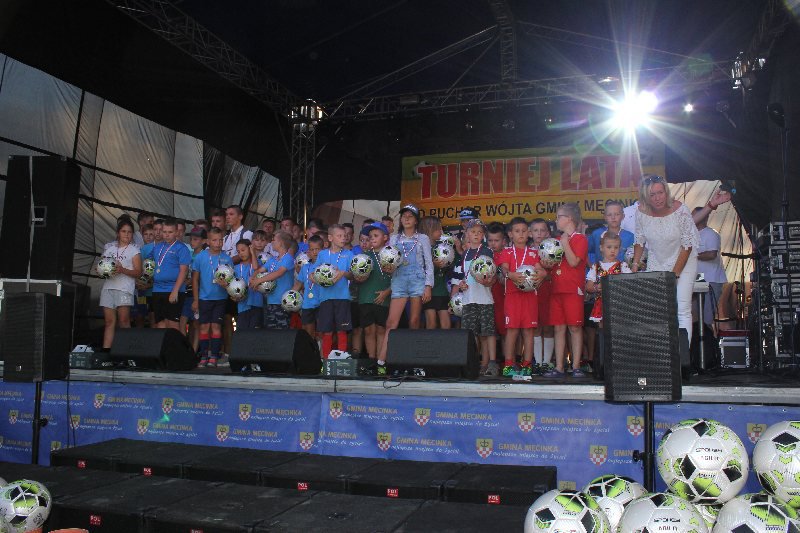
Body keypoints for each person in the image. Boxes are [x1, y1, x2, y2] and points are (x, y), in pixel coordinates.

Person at [632, 175, 699, 361]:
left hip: (683, 259)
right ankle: (662, 356)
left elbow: (687, 245)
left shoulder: (680, 210)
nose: (657, 198)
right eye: (652, 195)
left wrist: (675, 274)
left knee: (682, 308)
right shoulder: (641, 212)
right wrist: (635, 264)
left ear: (666, 192)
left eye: (660, 192)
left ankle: (681, 358)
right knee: (659, 310)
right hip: (658, 260)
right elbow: (639, 240)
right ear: (646, 196)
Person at [377, 205, 434, 375]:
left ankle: (412, 361)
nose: (407, 219)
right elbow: (388, 261)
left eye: (410, 216)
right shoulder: (394, 239)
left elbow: (429, 263)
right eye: (404, 216)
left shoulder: (423, 238)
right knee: (391, 323)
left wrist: (428, 286)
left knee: (414, 321)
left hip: (417, 281)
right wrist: (387, 268)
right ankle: (381, 361)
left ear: (416, 220)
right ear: (400, 220)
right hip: (399, 281)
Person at [543, 203, 589, 378]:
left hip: (572, 290)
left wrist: (565, 243)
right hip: (557, 289)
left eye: (558, 217)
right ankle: (559, 367)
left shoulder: (580, 239)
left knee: (574, 328)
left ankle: (576, 366)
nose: (556, 220)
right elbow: (552, 265)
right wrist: (547, 264)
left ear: (569, 218)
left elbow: (574, 262)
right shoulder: (556, 241)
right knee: (558, 328)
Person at [496, 217, 544, 377]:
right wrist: (510, 275)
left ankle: (527, 364)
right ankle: (509, 364)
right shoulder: (507, 252)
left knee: (528, 331)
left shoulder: (533, 253)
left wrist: (541, 274)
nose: (521, 234)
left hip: (530, 297)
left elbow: (540, 270)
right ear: (510, 234)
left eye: (524, 231)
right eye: (517, 231)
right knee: (512, 331)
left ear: (528, 233)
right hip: (512, 297)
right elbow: (504, 269)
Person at [451, 219, 496, 375]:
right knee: (471, 334)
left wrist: (487, 280)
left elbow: (492, 275)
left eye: (479, 232)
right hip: (468, 299)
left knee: (487, 333)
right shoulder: (464, 254)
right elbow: (465, 276)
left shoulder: (487, 251)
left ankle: (490, 363)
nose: (476, 234)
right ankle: (474, 362)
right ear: (467, 234)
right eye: (473, 232)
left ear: (483, 235)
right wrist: (462, 285)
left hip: (485, 299)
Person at [191, 227, 233, 367]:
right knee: (204, 327)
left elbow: (231, 280)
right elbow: (195, 279)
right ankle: (204, 355)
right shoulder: (201, 257)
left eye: (220, 240)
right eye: (214, 240)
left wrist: (226, 284)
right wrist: (196, 300)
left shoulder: (227, 258)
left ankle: (214, 355)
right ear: (208, 241)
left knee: (216, 326)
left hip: (220, 299)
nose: (218, 243)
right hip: (204, 299)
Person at [312, 224, 354, 358]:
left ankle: (341, 359)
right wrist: (318, 279)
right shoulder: (322, 254)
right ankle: (325, 361)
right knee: (327, 331)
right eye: (339, 236)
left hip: (342, 298)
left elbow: (352, 275)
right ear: (330, 238)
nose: (343, 238)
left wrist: (343, 273)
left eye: (345, 236)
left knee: (342, 330)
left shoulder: (349, 254)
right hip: (325, 298)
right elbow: (313, 274)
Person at [99, 219, 142, 349]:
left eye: (129, 232)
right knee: (109, 322)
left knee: (124, 320)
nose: (126, 234)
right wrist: (101, 270)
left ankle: (128, 350)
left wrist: (122, 270)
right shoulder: (110, 249)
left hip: (124, 289)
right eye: (124, 231)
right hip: (108, 288)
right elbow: (102, 268)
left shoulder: (134, 250)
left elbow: (138, 272)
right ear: (118, 233)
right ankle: (106, 351)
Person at [146, 219, 192, 331]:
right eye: (164, 232)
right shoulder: (157, 247)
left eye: (170, 232)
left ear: (176, 232)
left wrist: (175, 291)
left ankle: (175, 343)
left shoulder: (181, 248)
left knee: (173, 323)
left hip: (173, 289)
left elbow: (183, 271)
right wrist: (145, 277)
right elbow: (148, 263)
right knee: (160, 323)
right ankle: (163, 343)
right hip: (157, 289)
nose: (167, 235)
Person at [357, 223, 392, 362]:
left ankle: (380, 362)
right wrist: (357, 277)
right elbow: (355, 277)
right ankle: (371, 361)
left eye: (376, 235)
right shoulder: (363, 257)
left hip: (384, 299)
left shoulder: (391, 255)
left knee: (381, 330)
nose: (372, 238)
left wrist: (387, 292)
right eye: (370, 236)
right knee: (368, 330)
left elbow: (398, 278)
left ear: (385, 237)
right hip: (365, 298)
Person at [252, 230, 296, 330]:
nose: (271, 242)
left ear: (280, 243)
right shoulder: (273, 259)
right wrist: (253, 279)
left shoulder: (288, 258)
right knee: (271, 332)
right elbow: (260, 270)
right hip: (270, 301)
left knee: (282, 331)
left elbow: (279, 273)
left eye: (274, 240)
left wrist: (259, 281)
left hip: (283, 302)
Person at [586, 233, 632, 325]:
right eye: (609, 247)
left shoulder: (623, 266)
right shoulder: (595, 267)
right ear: (601, 248)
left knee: (618, 328)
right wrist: (597, 287)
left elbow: (630, 284)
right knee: (602, 328)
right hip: (601, 305)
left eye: (616, 247)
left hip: (619, 305)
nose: (612, 250)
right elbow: (588, 287)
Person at [693, 206, 727, 329]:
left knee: (707, 317)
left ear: (704, 217)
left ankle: (710, 340)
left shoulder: (711, 234)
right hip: (699, 278)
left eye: (694, 215)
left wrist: (693, 256)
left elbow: (712, 254)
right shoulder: (692, 235)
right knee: (697, 316)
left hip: (712, 279)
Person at [528, 218, 555, 371]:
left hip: (549, 293)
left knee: (548, 327)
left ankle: (547, 362)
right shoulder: (527, 252)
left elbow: (556, 275)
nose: (539, 233)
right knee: (536, 327)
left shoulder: (553, 251)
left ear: (548, 233)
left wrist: (546, 275)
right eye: (535, 230)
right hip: (532, 295)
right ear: (530, 233)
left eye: (542, 230)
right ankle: (538, 362)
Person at [420, 216, 451, 330]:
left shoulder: (443, 248)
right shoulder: (422, 249)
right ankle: (430, 343)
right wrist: (433, 264)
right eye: (439, 229)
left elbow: (451, 267)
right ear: (429, 230)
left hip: (442, 291)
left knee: (446, 325)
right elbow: (420, 271)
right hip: (429, 292)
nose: (441, 232)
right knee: (431, 324)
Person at [293, 234, 325, 342]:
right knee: (307, 332)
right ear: (308, 252)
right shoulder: (305, 267)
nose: (315, 252)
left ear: (323, 250)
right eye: (312, 249)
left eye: (317, 249)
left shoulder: (325, 267)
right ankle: (310, 351)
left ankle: (321, 352)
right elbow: (298, 284)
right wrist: (290, 294)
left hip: (322, 303)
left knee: (322, 332)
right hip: (307, 304)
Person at [181, 228, 207, 351]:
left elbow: (200, 275)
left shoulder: (205, 255)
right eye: (191, 239)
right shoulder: (188, 253)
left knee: (196, 323)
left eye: (196, 239)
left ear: (204, 241)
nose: (192, 242)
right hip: (186, 292)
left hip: (198, 293)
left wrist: (189, 281)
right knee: (182, 321)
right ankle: (185, 349)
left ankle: (193, 351)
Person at [486, 222, 507, 356]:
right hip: (488, 300)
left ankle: (508, 360)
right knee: (489, 332)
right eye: (490, 240)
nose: (493, 244)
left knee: (506, 332)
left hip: (504, 300)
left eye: (496, 240)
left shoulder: (508, 255)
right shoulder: (485, 256)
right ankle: (489, 360)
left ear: (504, 241)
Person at [233, 239, 262, 330]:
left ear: (250, 248)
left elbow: (256, 268)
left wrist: (253, 252)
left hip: (256, 303)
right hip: (242, 305)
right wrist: (234, 296)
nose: (241, 253)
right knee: (242, 332)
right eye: (238, 251)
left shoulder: (258, 263)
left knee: (255, 332)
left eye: (243, 250)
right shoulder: (236, 268)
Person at [132, 223, 155, 328]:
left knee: (153, 316)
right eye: (146, 234)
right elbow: (139, 271)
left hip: (153, 290)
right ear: (142, 235)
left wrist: (148, 283)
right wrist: (140, 282)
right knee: (140, 315)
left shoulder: (157, 249)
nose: (148, 237)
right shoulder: (139, 251)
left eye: (151, 234)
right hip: (142, 290)